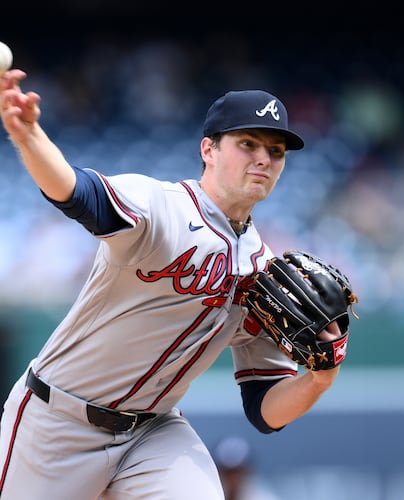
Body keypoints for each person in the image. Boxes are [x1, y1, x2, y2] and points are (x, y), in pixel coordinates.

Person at [0, 68, 344, 500]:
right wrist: (29, 135)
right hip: (58, 422)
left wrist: (320, 379)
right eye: (247, 144)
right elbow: (76, 192)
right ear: (209, 149)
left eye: (276, 151)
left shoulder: (267, 275)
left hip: (153, 431)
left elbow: (264, 408)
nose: (263, 159)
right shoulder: (160, 207)